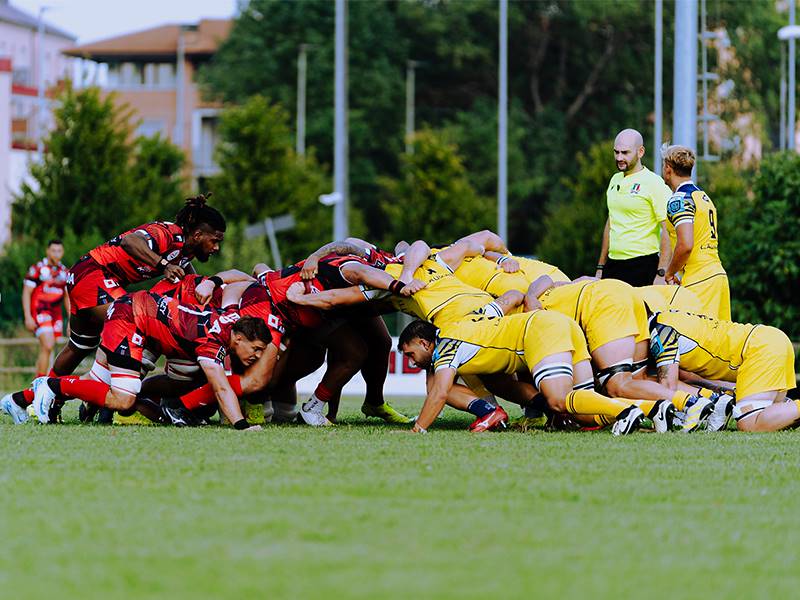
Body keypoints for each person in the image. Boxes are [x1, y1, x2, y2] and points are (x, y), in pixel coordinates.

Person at [27, 291, 279, 430]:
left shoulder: (231, 318)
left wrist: (215, 280)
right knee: (124, 397)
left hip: (136, 312)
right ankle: (50, 386)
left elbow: (234, 287)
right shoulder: (212, 341)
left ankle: (22, 399)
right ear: (238, 338)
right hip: (132, 317)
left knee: (97, 382)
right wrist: (241, 425)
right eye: (255, 349)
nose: (257, 356)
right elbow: (221, 387)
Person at [397, 315, 663, 436]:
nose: (412, 361)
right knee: (581, 408)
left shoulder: (445, 346)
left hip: (540, 331)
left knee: (560, 400)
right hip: (559, 324)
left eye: (410, 354)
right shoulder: (459, 329)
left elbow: (440, 392)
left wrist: (418, 429)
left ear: (424, 343)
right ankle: (655, 408)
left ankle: (625, 411)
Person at [649, 309, 796, 432]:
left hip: (759, 347)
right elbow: (687, 376)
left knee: (749, 422)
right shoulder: (669, 318)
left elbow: (668, 387)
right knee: (774, 413)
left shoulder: (660, 330)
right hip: (769, 339)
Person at [660, 144, 731, 320]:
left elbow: (685, 245)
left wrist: (669, 273)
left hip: (700, 280)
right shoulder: (703, 196)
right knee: (718, 343)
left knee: (695, 342)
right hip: (718, 276)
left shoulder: (679, 199)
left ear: (668, 169)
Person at [596, 129, 673, 286]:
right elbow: (611, 223)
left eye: (625, 153)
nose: (619, 158)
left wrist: (661, 272)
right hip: (613, 266)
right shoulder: (614, 180)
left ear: (641, 152)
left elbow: (668, 229)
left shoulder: (654, 183)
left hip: (643, 265)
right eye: (616, 152)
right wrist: (600, 267)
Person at [21, 239, 70, 377]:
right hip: (40, 311)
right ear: (47, 251)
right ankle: (39, 384)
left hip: (56, 315)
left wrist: (71, 319)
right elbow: (26, 292)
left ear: (63, 252)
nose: (56, 254)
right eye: (53, 250)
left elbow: (67, 297)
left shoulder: (64, 272)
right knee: (48, 345)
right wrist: (27, 316)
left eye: (59, 251)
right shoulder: (37, 269)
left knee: (48, 349)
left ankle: (44, 382)